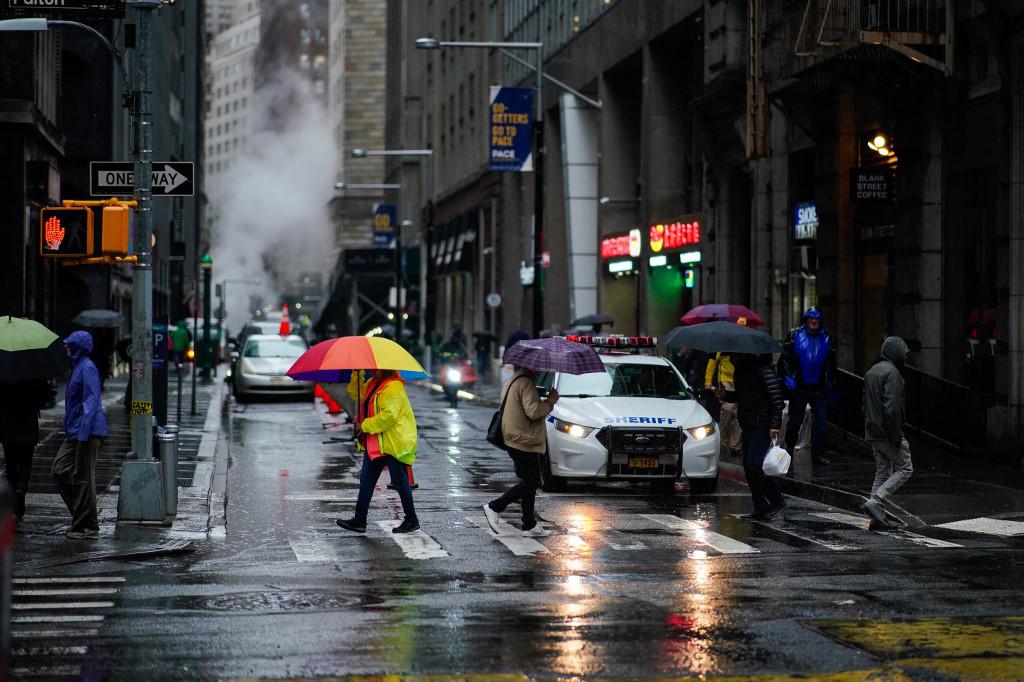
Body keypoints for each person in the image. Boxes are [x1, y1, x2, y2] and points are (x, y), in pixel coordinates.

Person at [336, 369, 420, 534]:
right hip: (376, 443)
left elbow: (389, 416)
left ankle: (411, 520)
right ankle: (359, 520)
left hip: (393, 442)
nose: (373, 369)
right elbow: (355, 393)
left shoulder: (393, 386)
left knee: (400, 483)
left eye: (376, 367)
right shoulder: (372, 383)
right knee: (366, 481)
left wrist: (365, 425)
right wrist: (357, 373)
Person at [482, 366, 559, 536]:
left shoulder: (514, 380)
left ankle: (529, 524)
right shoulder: (526, 383)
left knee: (529, 483)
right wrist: (550, 401)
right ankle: (495, 506)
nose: (540, 371)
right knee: (532, 482)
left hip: (515, 438)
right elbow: (533, 412)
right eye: (539, 368)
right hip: (524, 440)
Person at [54, 331, 108, 540]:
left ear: (79, 346)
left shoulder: (87, 368)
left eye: (70, 344)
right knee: (60, 470)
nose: (66, 347)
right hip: (76, 431)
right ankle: (84, 517)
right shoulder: (77, 367)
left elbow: (91, 402)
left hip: (87, 432)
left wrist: (83, 436)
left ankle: (86, 526)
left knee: (83, 478)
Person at [861, 336, 913, 530]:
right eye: (904, 354)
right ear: (896, 353)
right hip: (887, 432)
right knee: (905, 468)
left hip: (872, 431)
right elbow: (892, 409)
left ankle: (877, 518)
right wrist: (896, 437)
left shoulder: (872, 372)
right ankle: (876, 502)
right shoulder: (893, 374)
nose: (906, 358)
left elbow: (864, 404)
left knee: (883, 471)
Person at [778, 307, 837, 466]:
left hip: (819, 387)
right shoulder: (795, 335)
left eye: (816, 319)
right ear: (806, 319)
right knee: (795, 422)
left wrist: (831, 384)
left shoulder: (827, 337)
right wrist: (788, 376)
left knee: (822, 423)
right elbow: (785, 358)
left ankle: (818, 454)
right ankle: (789, 450)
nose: (813, 322)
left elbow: (831, 364)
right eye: (811, 319)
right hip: (800, 387)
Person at [733, 353, 786, 520]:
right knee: (748, 466)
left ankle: (776, 499)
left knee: (754, 464)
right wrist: (724, 395)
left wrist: (775, 425)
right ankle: (760, 505)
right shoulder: (742, 372)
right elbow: (743, 397)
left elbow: (777, 400)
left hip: (762, 423)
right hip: (748, 424)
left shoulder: (764, 371)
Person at [0, 378, 53, 520]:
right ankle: (21, 487)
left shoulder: (5, 372)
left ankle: (15, 495)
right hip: (28, 424)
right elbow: (46, 398)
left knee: (10, 463)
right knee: (25, 461)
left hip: (8, 424)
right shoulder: (33, 373)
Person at [705, 318, 749, 455]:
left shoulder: (748, 345)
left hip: (741, 382)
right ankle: (723, 441)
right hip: (724, 382)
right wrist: (708, 381)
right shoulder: (724, 344)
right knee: (728, 410)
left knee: (738, 414)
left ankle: (735, 445)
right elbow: (712, 362)